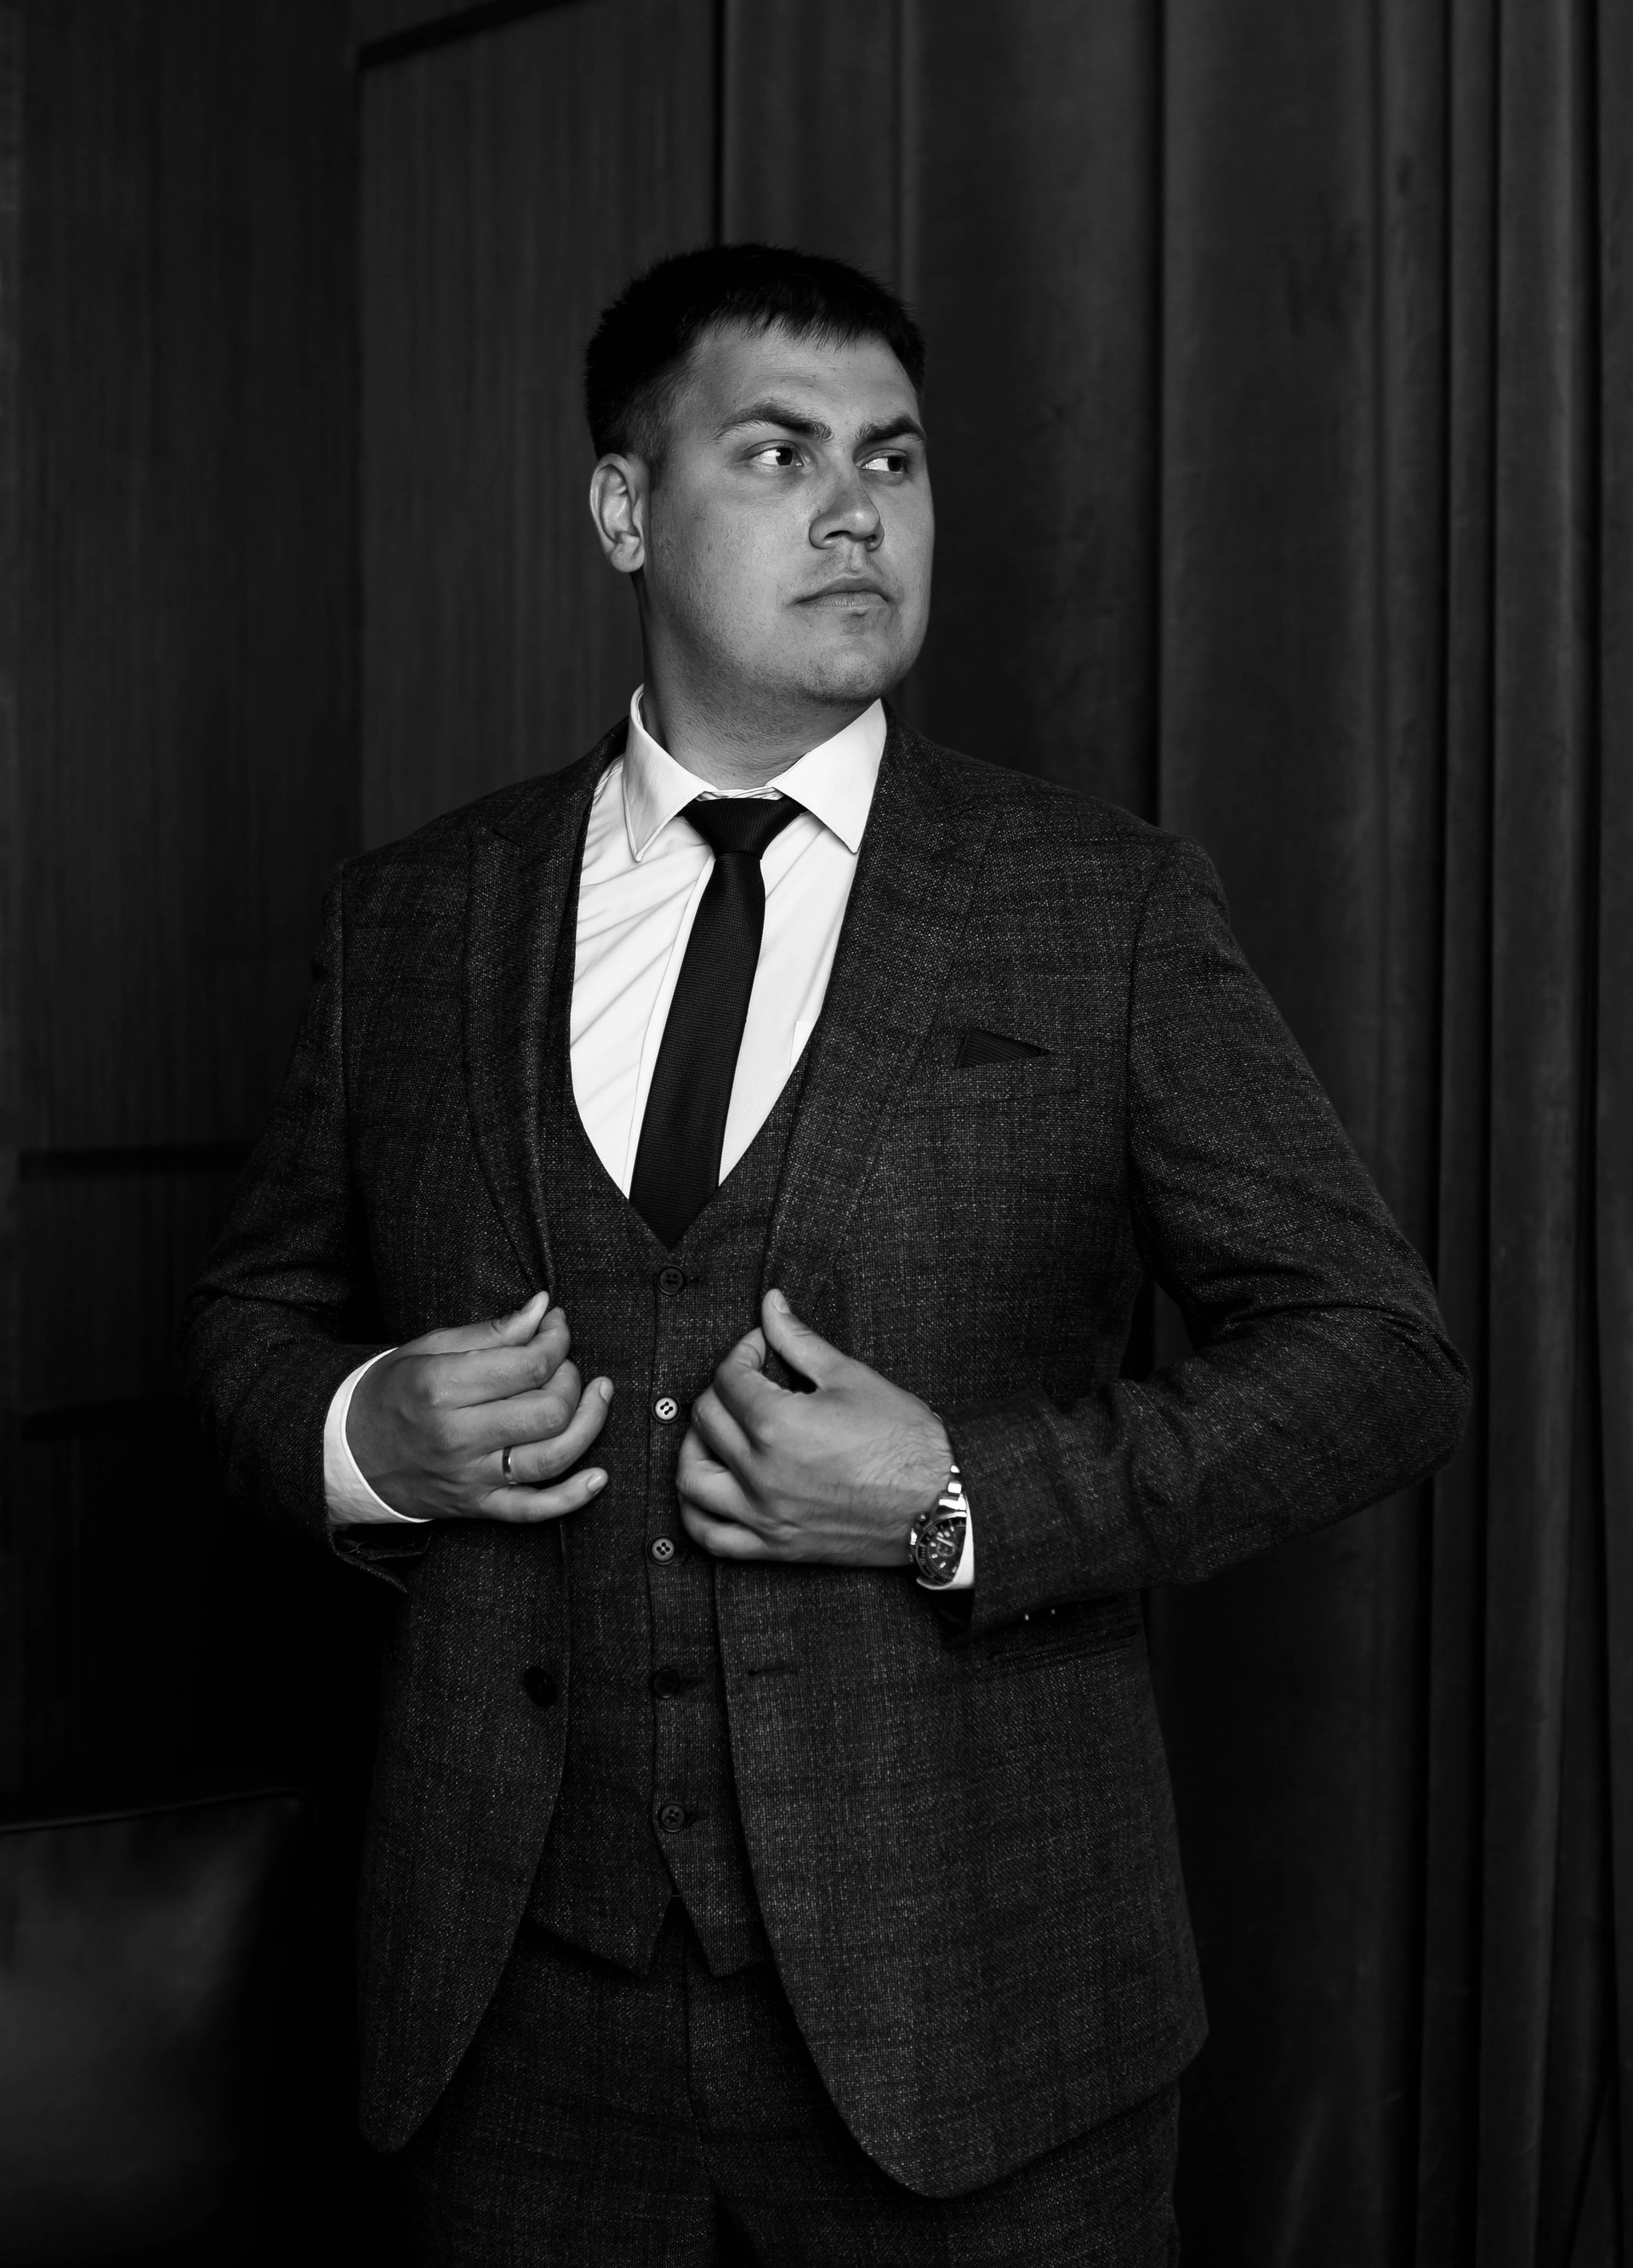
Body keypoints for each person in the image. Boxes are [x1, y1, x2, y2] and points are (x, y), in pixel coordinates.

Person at [183, 243, 1469, 2265]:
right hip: (509, 2039)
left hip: (979, 2034)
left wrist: (963, 1495)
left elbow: (1376, 1353)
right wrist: (366, 1436)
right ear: (625, 508)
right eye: (778, 453)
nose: (857, 509)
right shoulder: (416, 918)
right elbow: (249, 1320)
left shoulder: (1101, 905)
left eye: (895, 456)